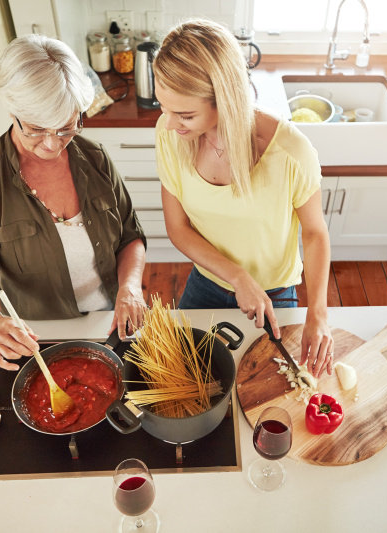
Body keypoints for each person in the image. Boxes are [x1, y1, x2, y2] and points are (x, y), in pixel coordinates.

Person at [153, 20, 334, 377]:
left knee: (268, 384)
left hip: (275, 292)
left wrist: (318, 313)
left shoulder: (291, 153)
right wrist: (237, 277)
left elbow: (314, 233)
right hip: (207, 280)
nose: (170, 124)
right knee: (185, 375)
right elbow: (178, 228)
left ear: (225, 100)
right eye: (164, 107)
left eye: (185, 114)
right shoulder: (171, 134)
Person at [0, 35, 147, 371]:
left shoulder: (95, 159)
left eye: (66, 127)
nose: (52, 144)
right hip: (40, 335)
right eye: (35, 129)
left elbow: (130, 236)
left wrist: (130, 287)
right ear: (12, 110)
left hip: (109, 320)